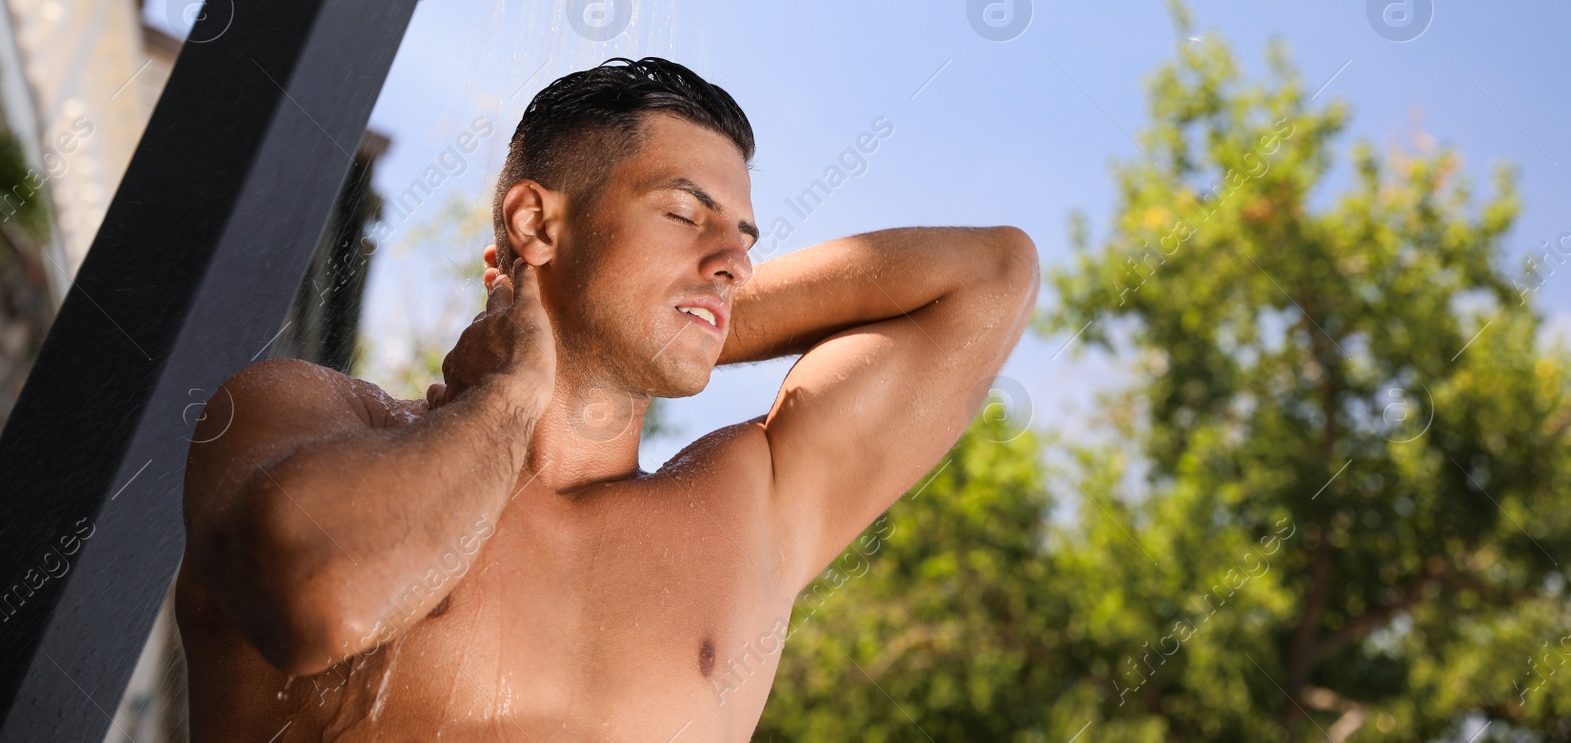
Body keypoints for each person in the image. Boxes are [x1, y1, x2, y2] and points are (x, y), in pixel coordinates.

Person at [177, 57, 1037, 741]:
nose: (733, 260)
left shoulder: (750, 504)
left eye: (743, 238)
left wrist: (658, 327)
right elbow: (324, 597)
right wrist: (516, 393)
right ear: (537, 224)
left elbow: (991, 275)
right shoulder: (309, 417)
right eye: (685, 214)